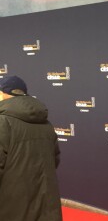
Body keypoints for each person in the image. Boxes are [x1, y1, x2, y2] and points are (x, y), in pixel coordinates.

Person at [0, 75, 62, 221]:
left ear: (3, 93)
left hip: (12, 209)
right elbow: (55, 160)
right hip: (46, 208)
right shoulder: (47, 124)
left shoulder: (3, 123)